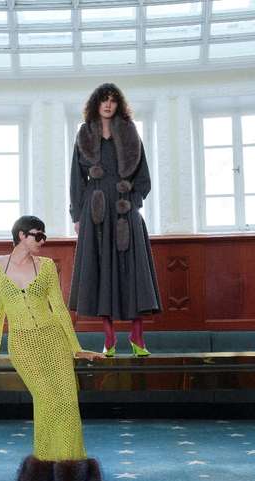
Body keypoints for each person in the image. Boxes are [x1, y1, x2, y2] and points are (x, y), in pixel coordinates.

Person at [0, 215, 102, 481]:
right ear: (21, 235)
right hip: (23, 344)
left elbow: (58, 308)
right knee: (48, 400)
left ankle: (69, 470)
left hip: (54, 339)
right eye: (37, 235)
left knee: (67, 401)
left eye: (45, 237)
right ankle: (48, 469)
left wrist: (76, 348)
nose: (42, 241)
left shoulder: (46, 267)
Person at [69, 83, 162, 357]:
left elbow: (143, 177)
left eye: (112, 100)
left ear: (118, 104)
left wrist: (133, 200)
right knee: (100, 269)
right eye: (104, 100)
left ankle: (137, 336)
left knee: (134, 269)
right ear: (96, 104)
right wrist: (77, 215)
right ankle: (108, 338)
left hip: (125, 207)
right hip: (95, 209)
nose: (108, 104)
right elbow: (76, 179)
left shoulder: (131, 133)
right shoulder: (84, 134)